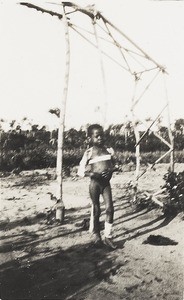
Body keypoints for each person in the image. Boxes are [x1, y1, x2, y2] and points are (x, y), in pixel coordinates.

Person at [78, 124, 117, 249]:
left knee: (110, 208)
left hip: (106, 184)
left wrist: (111, 170)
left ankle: (108, 236)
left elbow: (115, 165)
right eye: (97, 136)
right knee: (96, 210)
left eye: (102, 135)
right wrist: (92, 173)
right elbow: (80, 171)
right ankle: (96, 235)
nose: (100, 138)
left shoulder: (109, 150)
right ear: (90, 138)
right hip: (94, 184)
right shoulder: (89, 153)